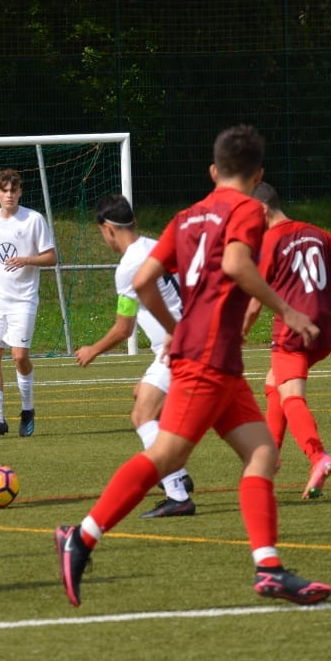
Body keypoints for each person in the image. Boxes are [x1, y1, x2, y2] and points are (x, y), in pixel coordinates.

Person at [55, 125, 331, 607]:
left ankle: (269, 569)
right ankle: (80, 537)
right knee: (166, 456)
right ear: (258, 174)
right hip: (207, 359)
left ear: (213, 170)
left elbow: (144, 281)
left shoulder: (185, 217)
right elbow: (237, 265)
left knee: (262, 452)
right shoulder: (248, 209)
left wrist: (176, 328)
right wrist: (287, 311)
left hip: (217, 358)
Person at [73, 194, 198, 518]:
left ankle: (177, 491)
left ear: (107, 229)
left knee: (142, 415)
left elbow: (123, 328)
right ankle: (178, 471)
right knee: (141, 393)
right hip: (189, 340)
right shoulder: (157, 246)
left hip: (178, 349)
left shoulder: (128, 267)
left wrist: (92, 350)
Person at [243, 182, 331, 500]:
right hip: (325, 332)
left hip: (293, 330)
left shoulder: (270, 241)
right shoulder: (317, 233)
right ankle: (270, 456)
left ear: (262, 210)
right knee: (274, 383)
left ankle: (318, 457)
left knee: (291, 396)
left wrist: (238, 334)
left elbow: (255, 303)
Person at [0, 169, 56, 440]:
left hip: (23, 299)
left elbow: (51, 257)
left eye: (13, 190)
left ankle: (27, 409)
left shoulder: (33, 220)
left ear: (20, 192)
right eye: (4, 190)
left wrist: (26, 260)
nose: (9, 195)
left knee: (19, 357)